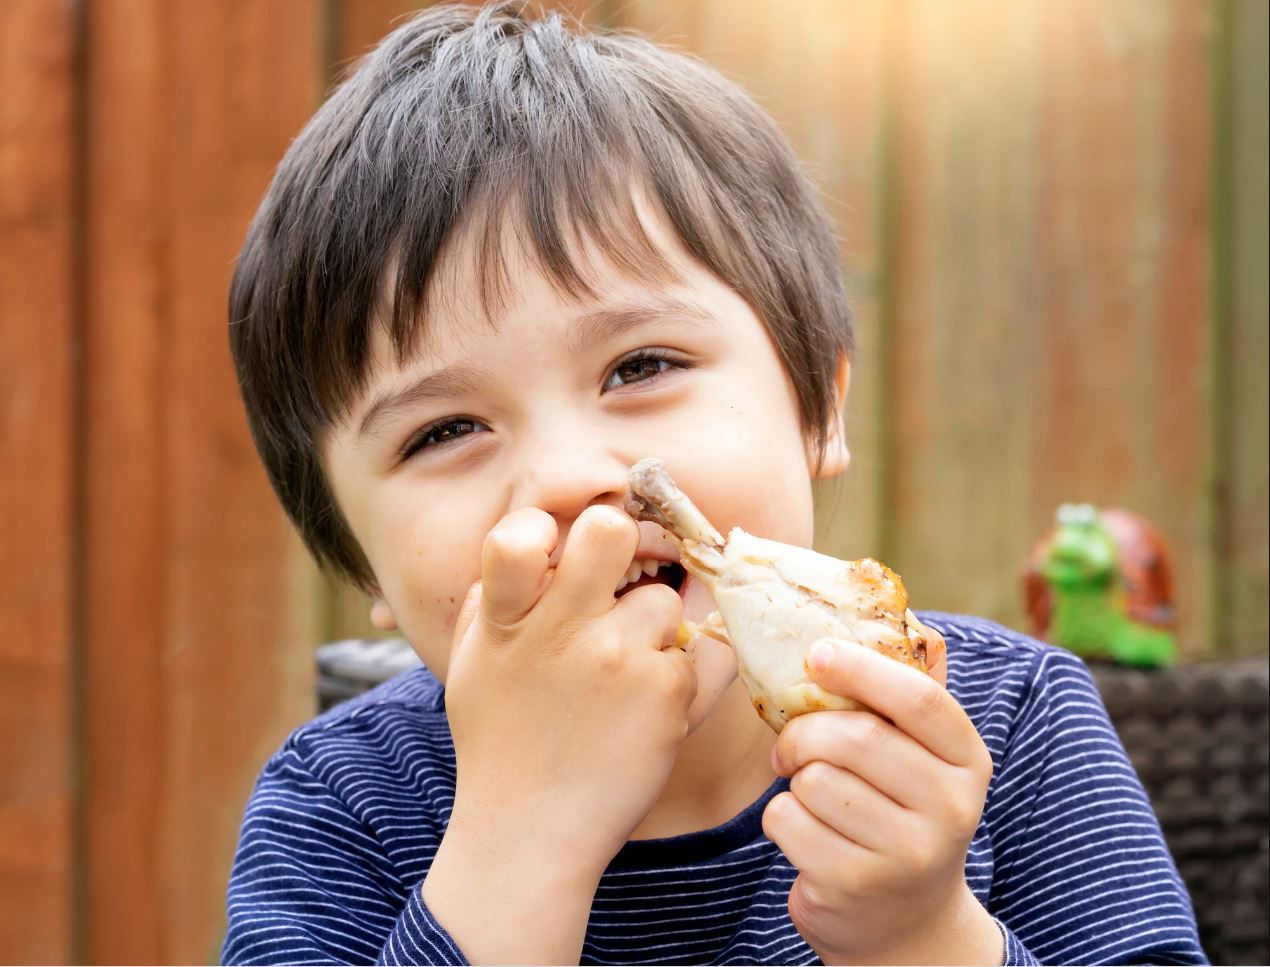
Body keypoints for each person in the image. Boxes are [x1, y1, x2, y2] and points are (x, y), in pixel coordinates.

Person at [220, 4, 1205, 964]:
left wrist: (921, 936)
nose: (569, 477)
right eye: (446, 429)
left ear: (817, 405)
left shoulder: (1006, 726)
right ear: (362, 566)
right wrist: (517, 847)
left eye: (640, 366)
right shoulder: (339, 807)